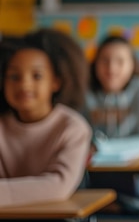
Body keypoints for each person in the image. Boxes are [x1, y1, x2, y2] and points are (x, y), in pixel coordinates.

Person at [0, 29, 92, 207]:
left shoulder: (73, 128)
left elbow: (58, 186)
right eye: (14, 76)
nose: (24, 84)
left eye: (37, 76)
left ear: (56, 81)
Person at [83, 34, 139, 212]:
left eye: (120, 61)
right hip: (94, 175)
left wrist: (100, 147)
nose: (111, 68)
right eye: (104, 60)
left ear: (132, 65)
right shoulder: (86, 92)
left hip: (133, 176)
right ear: (95, 64)